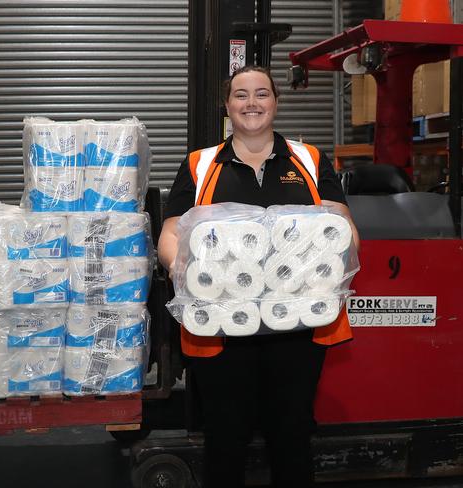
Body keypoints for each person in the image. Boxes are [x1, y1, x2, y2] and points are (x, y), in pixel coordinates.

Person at [157, 66, 360, 488]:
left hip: (299, 325)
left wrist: (341, 257)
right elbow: (171, 234)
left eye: (262, 94)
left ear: (276, 103)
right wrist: (193, 277)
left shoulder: (309, 159)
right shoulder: (200, 164)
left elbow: (342, 228)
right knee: (225, 437)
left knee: (292, 434)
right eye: (241, 95)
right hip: (220, 326)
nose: (252, 103)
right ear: (228, 106)